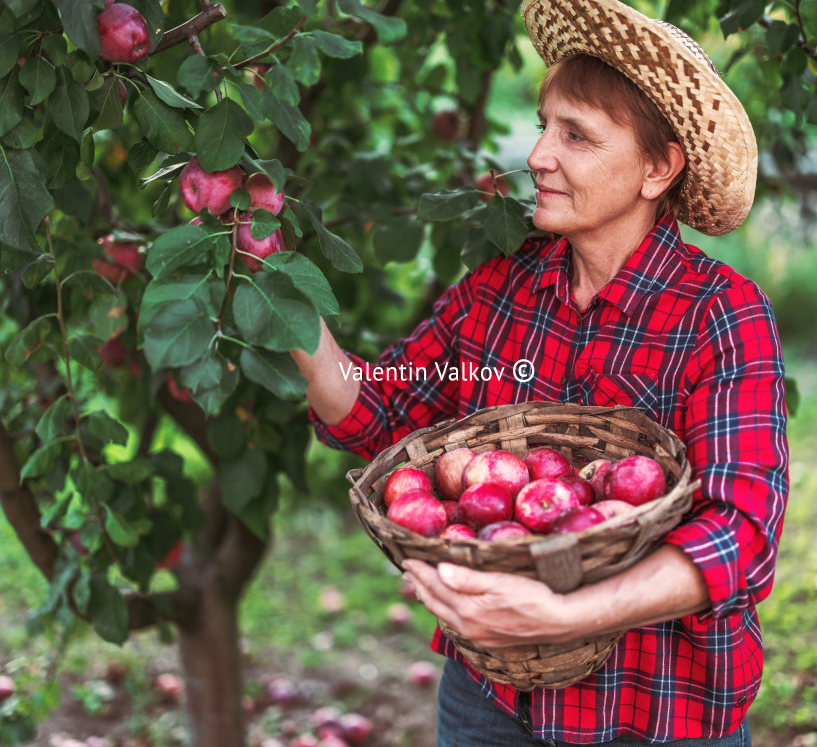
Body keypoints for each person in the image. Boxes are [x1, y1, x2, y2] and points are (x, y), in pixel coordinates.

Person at [291, 0, 788, 744]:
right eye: (544, 126)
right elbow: (378, 407)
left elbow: (741, 534)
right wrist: (281, 294)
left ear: (659, 167)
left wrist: (564, 615)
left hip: (653, 714)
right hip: (493, 702)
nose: (537, 156)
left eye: (576, 136)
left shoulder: (720, 315)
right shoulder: (501, 288)